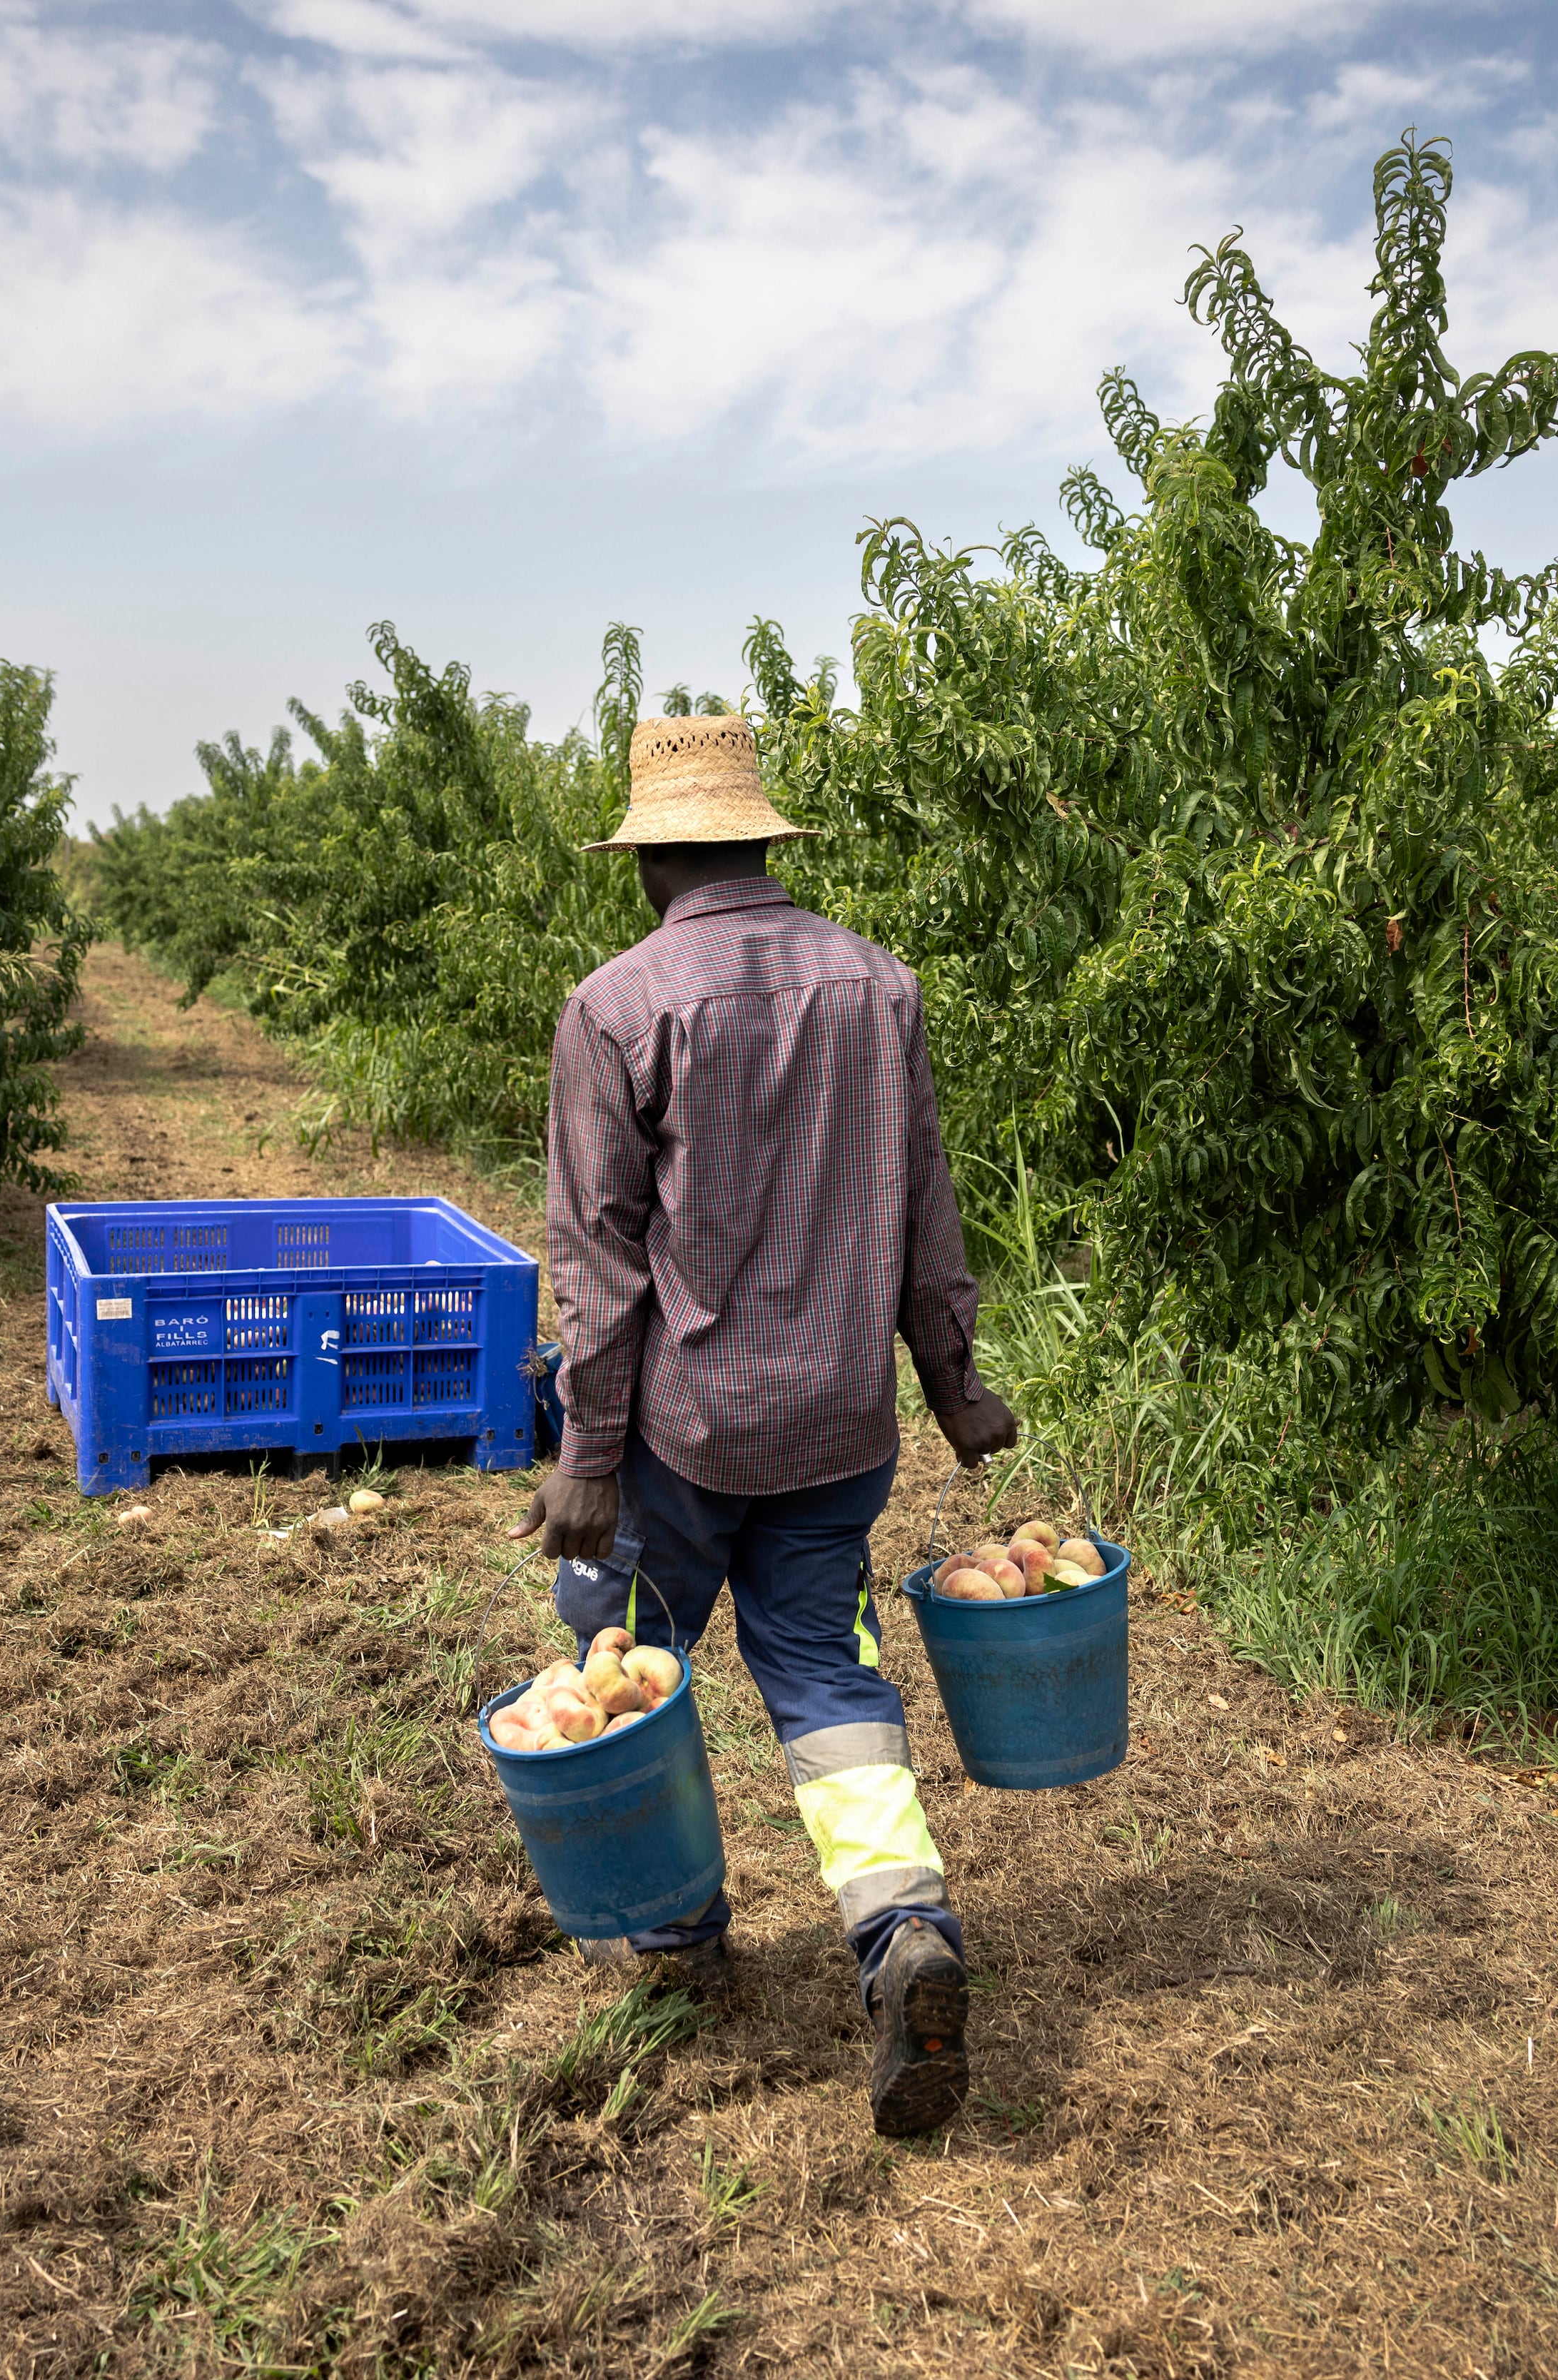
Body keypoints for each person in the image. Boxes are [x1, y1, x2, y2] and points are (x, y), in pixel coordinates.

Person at [506, 711, 1019, 2139]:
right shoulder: (877, 986)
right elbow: (924, 1205)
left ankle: (673, 1933)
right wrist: (955, 1386)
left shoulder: (617, 1006)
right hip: (839, 1424)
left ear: (648, 857)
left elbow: (600, 1262)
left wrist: (587, 1457)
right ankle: (902, 1926)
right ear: (760, 843)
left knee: (629, 1665)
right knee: (825, 1671)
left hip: (682, 1433)